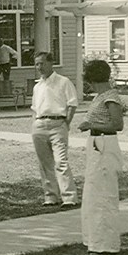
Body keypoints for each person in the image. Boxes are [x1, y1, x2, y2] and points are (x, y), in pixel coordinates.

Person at [76, 59, 126, 255]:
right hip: (97, 143)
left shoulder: (111, 97)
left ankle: (106, 244)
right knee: (93, 193)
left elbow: (117, 125)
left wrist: (91, 125)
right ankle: (94, 240)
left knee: (103, 194)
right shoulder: (100, 96)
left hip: (105, 143)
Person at [30, 51, 80, 208]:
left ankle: (69, 197)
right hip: (40, 125)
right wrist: (35, 124)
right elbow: (34, 108)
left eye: (42, 63)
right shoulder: (37, 86)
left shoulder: (63, 82)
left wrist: (66, 123)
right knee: (45, 164)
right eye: (37, 64)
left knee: (60, 161)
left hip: (58, 124)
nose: (39, 67)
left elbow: (72, 104)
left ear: (51, 63)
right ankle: (51, 196)